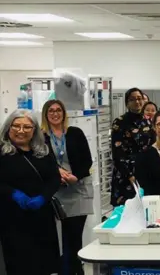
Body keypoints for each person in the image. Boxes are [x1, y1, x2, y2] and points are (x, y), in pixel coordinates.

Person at [0, 109, 61, 275]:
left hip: (42, 216)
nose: (21, 131)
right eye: (16, 126)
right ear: (8, 127)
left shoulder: (43, 150)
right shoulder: (2, 152)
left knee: (46, 263)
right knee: (21, 264)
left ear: (34, 130)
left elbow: (54, 178)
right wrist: (13, 194)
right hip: (12, 219)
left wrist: (44, 197)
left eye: (27, 127)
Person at [42, 100, 93, 275]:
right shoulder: (42, 137)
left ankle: (76, 270)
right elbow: (41, 161)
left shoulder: (75, 133)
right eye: (51, 111)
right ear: (45, 114)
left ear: (64, 113)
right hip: (58, 191)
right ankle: (66, 270)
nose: (55, 114)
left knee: (75, 235)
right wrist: (57, 172)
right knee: (61, 237)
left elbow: (87, 159)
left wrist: (75, 176)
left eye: (58, 110)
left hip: (79, 189)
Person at [111, 88, 155, 206]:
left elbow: (153, 146)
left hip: (145, 170)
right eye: (133, 99)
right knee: (125, 210)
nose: (137, 102)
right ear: (127, 103)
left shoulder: (148, 122)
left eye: (139, 98)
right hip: (125, 172)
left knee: (146, 208)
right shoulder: (119, 122)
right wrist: (129, 175)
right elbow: (117, 152)